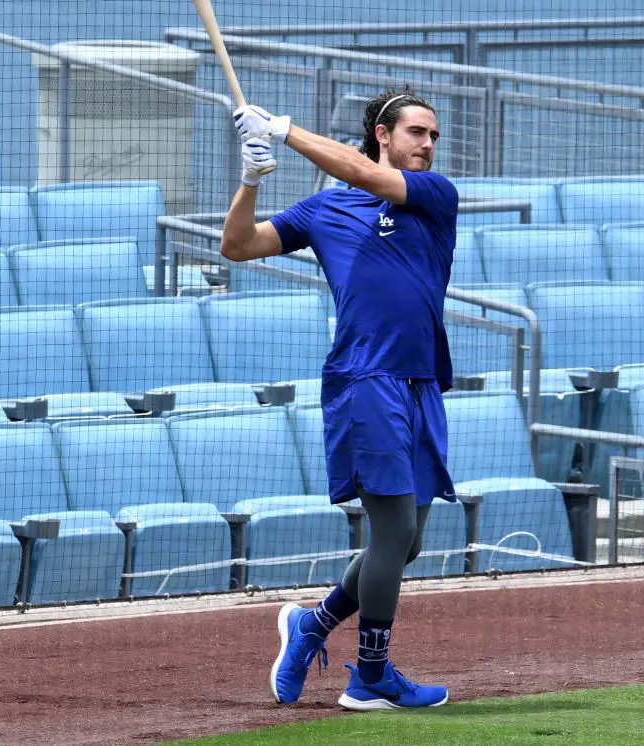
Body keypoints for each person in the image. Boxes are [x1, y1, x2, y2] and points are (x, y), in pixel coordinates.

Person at [221, 88, 459, 711]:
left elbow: (360, 172)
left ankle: (311, 627)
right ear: (384, 133)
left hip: (421, 382)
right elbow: (238, 246)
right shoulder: (325, 210)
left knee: (405, 544)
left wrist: (285, 130)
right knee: (395, 531)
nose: (428, 145)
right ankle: (372, 675)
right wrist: (251, 177)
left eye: (433, 135)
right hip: (365, 380)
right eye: (417, 133)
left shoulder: (434, 196)